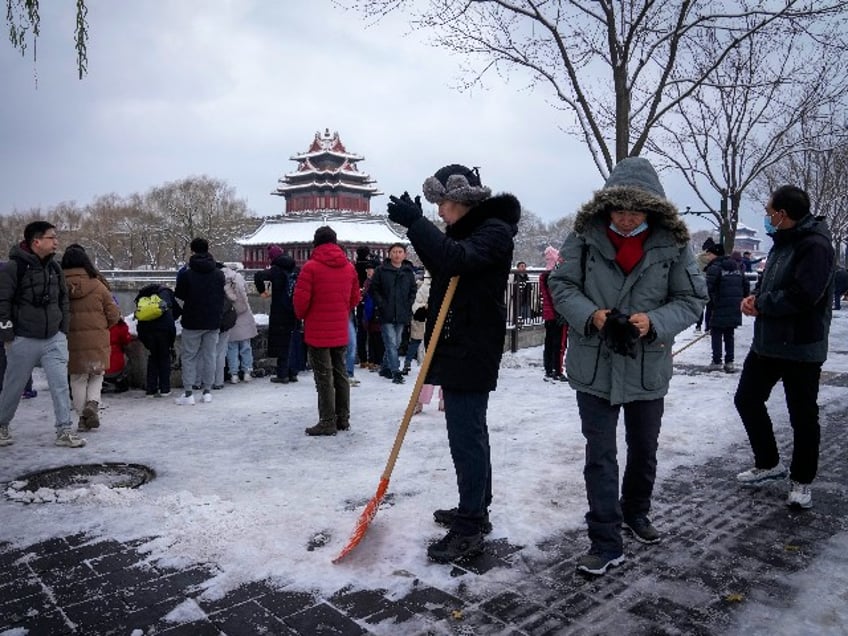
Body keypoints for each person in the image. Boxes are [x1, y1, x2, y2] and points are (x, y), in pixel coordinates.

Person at [548, 157, 707, 576]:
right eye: (618, 209)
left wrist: (653, 322)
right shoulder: (583, 237)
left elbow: (692, 299)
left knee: (644, 449)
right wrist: (593, 316)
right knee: (600, 454)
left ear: (652, 210)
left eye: (635, 210)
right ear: (606, 207)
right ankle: (605, 539)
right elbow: (560, 284)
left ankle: (635, 511)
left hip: (645, 365)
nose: (625, 218)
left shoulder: (673, 245)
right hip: (594, 365)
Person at [387, 163, 520, 563]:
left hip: (473, 347)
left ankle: (471, 523)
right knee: (468, 432)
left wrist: (416, 226)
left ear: (462, 199)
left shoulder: (493, 231)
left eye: (442, 203)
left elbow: (456, 261)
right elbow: (447, 268)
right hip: (458, 343)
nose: (439, 213)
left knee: (467, 436)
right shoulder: (469, 232)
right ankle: (475, 507)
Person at [734, 185, 834, 510]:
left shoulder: (815, 246)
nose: (766, 215)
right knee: (747, 399)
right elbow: (769, 284)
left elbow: (805, 295)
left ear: (783, 214)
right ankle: (768, 463)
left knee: (802, 416)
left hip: (801, 346)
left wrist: (763, 304)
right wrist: (754, 300)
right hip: (768, 343)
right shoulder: (780, 244)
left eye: (769, 210)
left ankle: (802, 480)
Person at [0, 222, 84, 447]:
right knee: (13, 386)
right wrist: (7, 334)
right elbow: (2, 303)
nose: (56, 242)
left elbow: (63, 300)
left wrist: (62, 330)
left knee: (60, 384)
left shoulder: (54, 268)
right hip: (23, 338)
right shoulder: (12, 268)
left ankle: (64, 430)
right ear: (36, 241)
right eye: (52, 237)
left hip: (54, 338)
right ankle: (2, 425)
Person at [293, 226, 360, 436]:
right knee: (341, 374)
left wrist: (302, 315)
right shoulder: (348, 267)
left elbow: (301, 302)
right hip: (340, 328)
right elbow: (355, 298)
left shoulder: (310, 267)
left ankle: (327, 420)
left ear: (316, 242)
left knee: (324, 377)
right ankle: (343, 418)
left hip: (317, 330)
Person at [61, 245, 122, 431]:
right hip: (97, 337)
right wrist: (103, 327)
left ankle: (82, 418)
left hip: (70, 339)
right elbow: (114, 313)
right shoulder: (98, 284)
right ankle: (93, 404)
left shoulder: (59, 283)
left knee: (77, 378)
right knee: (97, 374)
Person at [173, 237, 225, 405]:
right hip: (212, 320)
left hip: (192, 319)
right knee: (210, 355)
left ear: (193, 251)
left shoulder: (187, 274)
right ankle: (207, 391)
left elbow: (179, 295)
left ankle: (189, 393)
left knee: (189, 356)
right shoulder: (218, 274)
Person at [369, 243, 417, 384]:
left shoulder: (408, 271)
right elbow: (374, 289)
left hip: (402, 312)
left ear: (404, 254)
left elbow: (413, 290)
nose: (397, 254)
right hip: (386, 312)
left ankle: (385, 367)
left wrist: (408, 304)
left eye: (400, 252)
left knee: (396, 342)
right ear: (390, 254)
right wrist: (382, 303)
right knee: (391, 342)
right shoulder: (381, 270)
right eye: (394, 252)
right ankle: (396, 371)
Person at [254, 245, 299, 384]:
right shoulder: (296, 270)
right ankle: (293, 373)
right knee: (294, 341)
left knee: (282, 343)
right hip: (295, 310)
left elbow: (258, 276)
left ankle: (282, 374)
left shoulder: (275, 271)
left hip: (280, 311)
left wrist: (262, 291)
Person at [702, 240, 749, 373]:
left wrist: (710, 301)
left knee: (716, 333)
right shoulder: (737, 267)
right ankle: (729, 362)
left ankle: (717, 361)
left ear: (715, 255)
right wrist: (742, 299)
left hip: (718, 305)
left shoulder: (714, 268)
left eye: (709, 254)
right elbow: (745, 284)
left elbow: (708, 287)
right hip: (734, 306)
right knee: (729, 334)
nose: (707, 257)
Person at [135, 283, 181, 397]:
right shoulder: (166, 292)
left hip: (146, 330)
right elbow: (177, 311)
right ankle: (165, 389)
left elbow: (139, 314)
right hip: (163, 330)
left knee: (153, 357)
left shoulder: (143, 296)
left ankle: (151, 389)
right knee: (164, 357)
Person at [225, 263, 257, 383]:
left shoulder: (222, 279)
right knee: (246, 346)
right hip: (243, 316)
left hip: (230, 317)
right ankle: (247, 371)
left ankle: (234, 374)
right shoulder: (239, 278)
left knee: (231, 347)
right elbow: (246, 293)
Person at [540, 246, 567, 382]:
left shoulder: (543, 276)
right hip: (557, 315)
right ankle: (558, 370)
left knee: (549, 342)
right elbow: (556, 297)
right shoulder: (554, 277)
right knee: (559, 344)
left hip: (549, 315)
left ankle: (549, 369)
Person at [403, 274, 430, 375]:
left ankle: (408, 363)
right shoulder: (426, 288)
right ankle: (410, 363)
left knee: (415, 342)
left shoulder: (419, 287)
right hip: (422, 318)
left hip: (418, 318)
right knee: (418, 343)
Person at [104, 316, 132, 393]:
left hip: (98, 369)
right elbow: (126, 340)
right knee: (128, 360)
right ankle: (120, 382)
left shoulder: (98, 325)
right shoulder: (120, 326)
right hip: (116, 369)